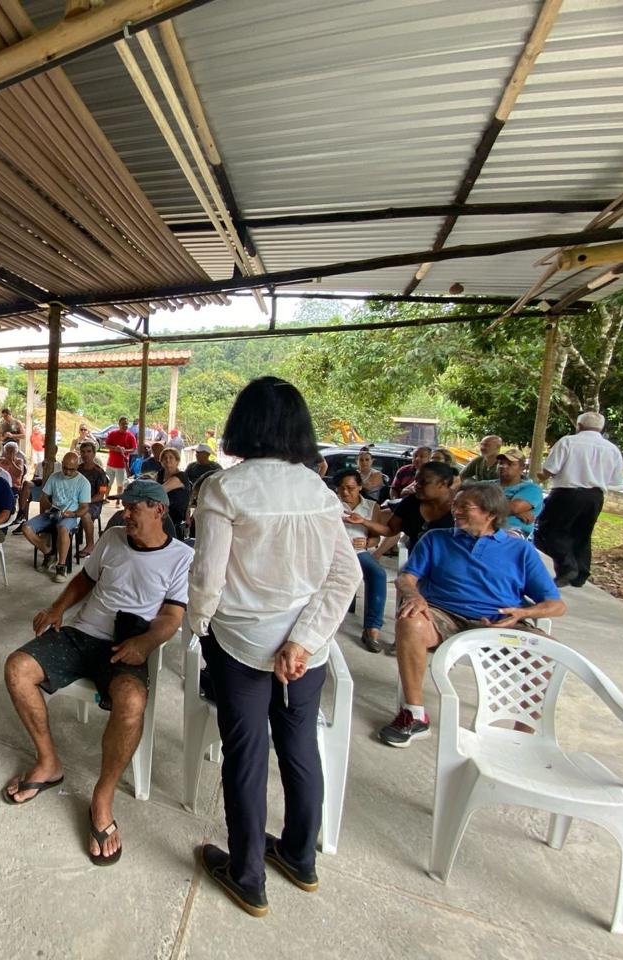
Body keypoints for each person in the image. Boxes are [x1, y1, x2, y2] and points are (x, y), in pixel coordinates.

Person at [188, 376, 360, 918]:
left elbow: (208, 576)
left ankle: (248, 877)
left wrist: (198, 624)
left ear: (243, 423)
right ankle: (300, 858)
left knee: (246, 754)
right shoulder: (319, 491)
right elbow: (345, 576)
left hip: (241, 642)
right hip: (306, 654)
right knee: (299, 747)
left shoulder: (224, 489)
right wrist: (303, 640)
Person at [3, 480, 191, 866]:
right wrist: (57, 608)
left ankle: (102, 798)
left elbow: (172, 616)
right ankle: (48, 762)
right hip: (82, 634)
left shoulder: (181, 557)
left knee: (132, 702)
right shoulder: (113, 537)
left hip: (126, 643)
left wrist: (146, 643)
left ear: (159, 510)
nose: (126, 513)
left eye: (134, 507)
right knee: (17, 668)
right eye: (125, 506)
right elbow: (85, 580)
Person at [378, 482, 565, 747]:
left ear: (490, 513)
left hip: (499, 622)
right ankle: (415, 714)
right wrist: (414, 595)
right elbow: (406, 578)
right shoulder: (436, 539)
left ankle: (523, 735)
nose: (455, 511)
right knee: (410, 621)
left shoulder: (520, 550)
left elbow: (555, 605)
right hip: (444, 616)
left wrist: (522, 613)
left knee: (548, 652)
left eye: (465, 507)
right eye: (455, 505)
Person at [535, 411, 623, 587]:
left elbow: (549, 470)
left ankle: (567, 567)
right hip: (595, 497)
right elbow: (615, 482)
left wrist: (539, 476)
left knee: (549, 529)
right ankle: (580, 575)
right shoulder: (612, 450)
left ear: (579, 426)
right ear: (601, 428)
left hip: (567, 493)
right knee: (582, 534)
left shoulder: (568, 442)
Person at [356, 461, 457, 560]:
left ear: (442, 484)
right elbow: (391, 530)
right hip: (417, 562)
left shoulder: (460, 507)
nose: (416, 485)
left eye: (423, 482)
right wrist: (363, 521)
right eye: (416, 481)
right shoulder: (411, 502)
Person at [332, 468, 387, 653]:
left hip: (358, 552)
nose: (345, 492)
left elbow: (376, 537)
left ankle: (372, 630)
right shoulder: (332, 504)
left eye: (350, 488)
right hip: (334, 552)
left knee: (378, 574)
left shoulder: (371, 506)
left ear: (360, 487)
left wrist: (367, 542)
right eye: (341, 488)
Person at [20, 451, 90, 582]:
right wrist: (49, 506)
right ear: (62, 464)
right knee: (26, 528)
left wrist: (74, 514)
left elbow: (85, 507)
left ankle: (61, 566)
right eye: (65, 468)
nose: (67, 472)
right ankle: (49, 554)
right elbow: (44, 497)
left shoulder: (83, 483)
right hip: (53, 512)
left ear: (77, 466)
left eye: (71, 469)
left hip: (71, 515)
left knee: (62, 528)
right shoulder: (54, 477)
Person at [494, 448, 542, 537]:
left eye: (510, 464)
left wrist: (482, 503)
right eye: (501, 463)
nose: (503, 466)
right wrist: (517, 512)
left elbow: (513, 508)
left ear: (522, 468)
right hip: (483, 527)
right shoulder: (485, 484)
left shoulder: (531, 488)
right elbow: (466, 501)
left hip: (513, 530)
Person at [76, 440, 110, 558]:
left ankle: (90, 545)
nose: (85, 454)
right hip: (76, 501)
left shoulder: (100, 473)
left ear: (94, 454)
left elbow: (101, 494)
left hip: (93, 503)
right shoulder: (77, 469)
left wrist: (85, 501)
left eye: (89, 451)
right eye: (83, 452)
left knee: (85, 514)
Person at [158, 447, 191, 538]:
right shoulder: (160, 474)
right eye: (165, 458)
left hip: (175, 516)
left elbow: (159, 491)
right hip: (162, 512)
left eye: (171, 457)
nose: (167, 460)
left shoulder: (181, 476)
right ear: (161, 461)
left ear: (177, 461)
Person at [104, 416, 137, 495]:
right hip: (110, 464)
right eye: (123, 424)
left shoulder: (130, 436)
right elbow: (106, 445)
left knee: (120, 485)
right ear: (119, 424)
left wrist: (124, 450)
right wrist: (115, 448)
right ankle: (105, 497)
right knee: (106, 483)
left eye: (126, 424)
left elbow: (134, 448)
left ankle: (118, 500)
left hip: (122, 466)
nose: (125, 425)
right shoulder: (112, 433)